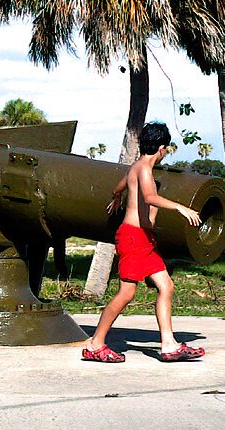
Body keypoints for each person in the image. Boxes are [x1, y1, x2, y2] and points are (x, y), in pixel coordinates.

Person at [80, 122, 205, 363]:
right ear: (161, 148)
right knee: (126, 293)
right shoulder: (145, 170)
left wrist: (117, 198)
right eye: (165, 148)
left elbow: (119, 187)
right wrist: (179, 207)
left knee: (166, 286)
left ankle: (169, 345)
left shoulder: (135, 168)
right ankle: (95, 343)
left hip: (144, 240)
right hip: (133, 238)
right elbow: (149, 197)